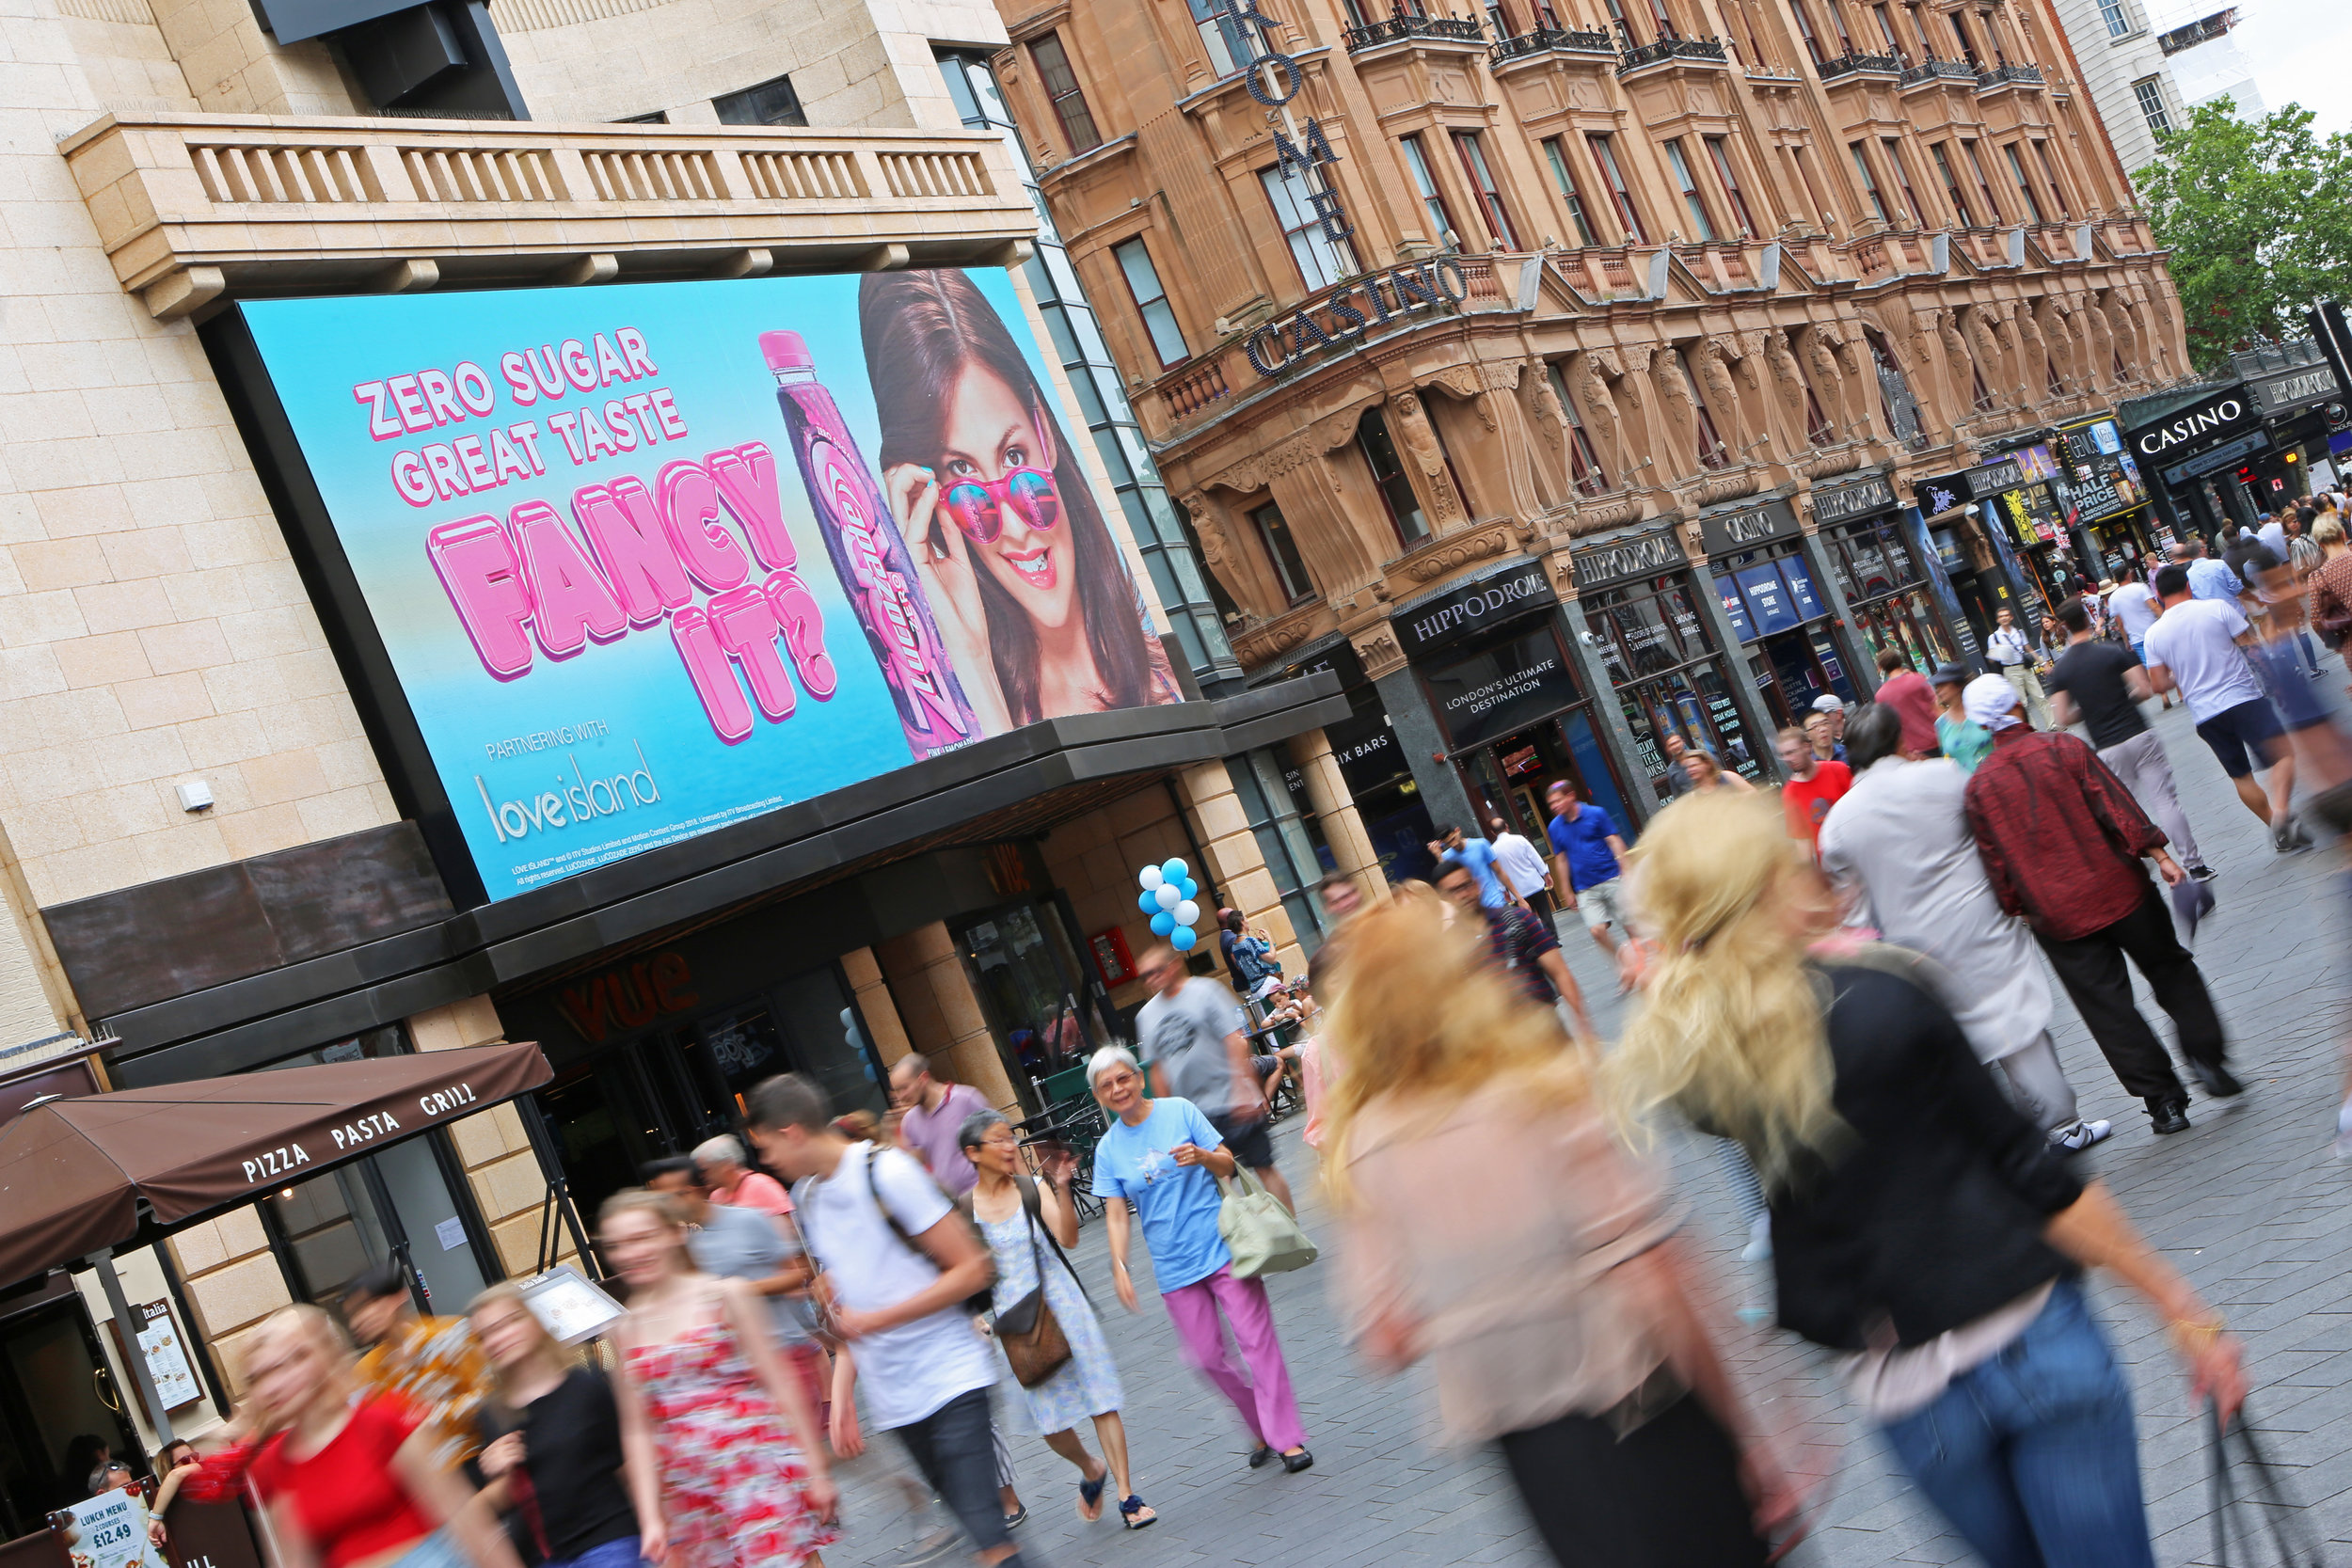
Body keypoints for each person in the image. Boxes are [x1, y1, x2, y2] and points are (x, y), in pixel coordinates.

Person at [1609, 791, 2246, 1568]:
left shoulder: (1701, 1058)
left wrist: (1685, 961)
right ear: (1762, 883)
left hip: (1906, 1391)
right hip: (2030, 1332)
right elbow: (2030, 1170)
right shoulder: (1885, 993)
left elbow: (1701, 1015)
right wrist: (2183, 1311)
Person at [1322, 895, 1804, 1568]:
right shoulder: (1538, 1088)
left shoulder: (1365, 1144)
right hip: (1641, 1405)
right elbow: (1656, 1273)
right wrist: (1754, 1431)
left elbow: (1385, 1336)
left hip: (1531, 1448)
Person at [867, 269, 1179, 736]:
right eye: (961, 472)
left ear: (1045, 435)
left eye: (1014, 458)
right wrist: (972, 661)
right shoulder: (962, 718)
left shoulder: (1171, 671)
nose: (1014, 527)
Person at [747, 1077, 1017, 1568]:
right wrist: (846, 1393)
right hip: (897, 1402)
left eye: (765, 1149)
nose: (766, 1163)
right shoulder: (807, 1198)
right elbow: (853, 1309)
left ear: (790, 1133)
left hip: (951, 1377)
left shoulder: (885, 1171)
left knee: (992, 1544)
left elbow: (972, 1269)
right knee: (986, 1543)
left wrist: (876, 1319)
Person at [1959, 674, 2241, 1136]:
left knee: (2108, 1009)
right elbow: (2115, 806)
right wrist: (2162, 857)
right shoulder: (2064, 748)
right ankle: (2206, 1053)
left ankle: (2163, 1101)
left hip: (2056, 915)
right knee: (2171, 968)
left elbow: (1995, 862)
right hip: (2120, 888)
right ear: (2016, 708)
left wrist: (2017, 906)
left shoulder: (1979, 788)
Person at [1818, 705, 2107, 1153]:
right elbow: (1990, 834)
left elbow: (1851, 913)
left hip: (1908, 944)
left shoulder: (1837, 823)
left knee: (1953, 1044)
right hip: (1980, 920)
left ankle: (1995, 1143)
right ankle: (2062, 1125)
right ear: (1898, 740)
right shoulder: (1943, 776)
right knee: (2019, 1028)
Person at [1085, 1046, 1312, 1475]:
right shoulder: (1108, 1150)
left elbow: (1226, 1163)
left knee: (1257, 1344)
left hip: (1224, 1246)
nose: (1118, 1089)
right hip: (1173, 1267)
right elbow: (1116, 1213)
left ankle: (1286, 1438)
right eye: (1107, 1085)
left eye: (1123, 1078)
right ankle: (1258, 1424)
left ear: (1138, 1078)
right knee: (1207, 1359)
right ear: (1099, 1096)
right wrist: (1119, 1265)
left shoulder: (1179, 1111)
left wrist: (1203, 1156)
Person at [179, 1307, 524, 1568]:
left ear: (319, 1360)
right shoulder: (273, 1466)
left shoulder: (382, 1418)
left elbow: (465, 1519)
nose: (270, 1387)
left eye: (282, 1366)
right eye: (256, 1378)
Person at [598, 1192, 837, 1568]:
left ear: (674, 1234)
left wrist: (814, 1469)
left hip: (753, 1468)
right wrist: (651, 1518)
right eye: (617, 1245)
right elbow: (637, 1429)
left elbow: (779, 1382)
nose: (629, 1253)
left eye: (641, 1237)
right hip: (690, 1493)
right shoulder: (622, 1330)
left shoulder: (726, 1295)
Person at [956, 1110, 1156, 1531]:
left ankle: (1126, 1494)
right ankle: (1090, 1468)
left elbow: (1068, 1237)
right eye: (999, 1140)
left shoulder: (1030, 1187)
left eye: (1011, 1137)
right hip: (1016, 1322)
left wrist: (1062, 1188)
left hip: (1064, 1305)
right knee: (1051, 1422)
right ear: (972, 1153)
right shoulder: (963, 1210)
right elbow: (964, 1271)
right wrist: (972, 1315)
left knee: (1100, 1400)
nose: (1011, 1146)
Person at [469, 1285, 644, 1568]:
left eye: (510, 1322)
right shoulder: (494, 1414)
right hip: (551, 1557)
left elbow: (628, 1465)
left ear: (534, 1323)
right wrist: (499, 1474)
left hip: (609, 1540)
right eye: (486, 1334)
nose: (499, 1338)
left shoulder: (584, 1387)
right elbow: (510, 1497)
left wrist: (656, 1527)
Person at [641, 1158, 827, 1422]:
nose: (665, 1207)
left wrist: (735, 1290)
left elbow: (799, 1274)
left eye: (670, 1197)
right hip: (732, 1367)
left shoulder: (747, 1220)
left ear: (694, 1190)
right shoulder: (681, 1243)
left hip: (781, 1351)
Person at [2142, 562, 2310, 854]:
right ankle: (2282, 812)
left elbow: (2158, 685)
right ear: (2188, 586)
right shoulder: (2216, 608)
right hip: (2243, 697)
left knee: (2240, 775)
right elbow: (2250, 646)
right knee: (2284, 754)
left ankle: (2276, 827)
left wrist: (2181, 671)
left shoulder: (2154, 635)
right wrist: (2275, 682)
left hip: (2206, 714)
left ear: (2158, 594)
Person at [2044, 596, 2212, 880]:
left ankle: (2150, 868)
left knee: (2128, 808)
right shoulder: (2112, 652)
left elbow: (2062, 717)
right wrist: (2122, 698)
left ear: (2064, 626)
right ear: (2087, 618)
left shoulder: (2061, 671)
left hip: (2107, 746)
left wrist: (2089, 710)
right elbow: (2145, 690)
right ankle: (2195, 865)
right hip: (2138, 733)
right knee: (2165, 801)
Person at [1132, 944, 1293, 1213]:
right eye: (1145, 976)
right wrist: (1167, 1118)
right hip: (1194, 1114)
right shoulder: (1146, 1016)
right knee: (1216, 1183)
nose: (1151, 979)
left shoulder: (1205, 991)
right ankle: (1238, 1245)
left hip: (1231, 1101)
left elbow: (1234, 1042)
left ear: (1173, 966)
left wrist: (1243, 1090)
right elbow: (1157, 1070)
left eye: (1156, 971)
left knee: (1263, 1166)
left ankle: (1292, 1230)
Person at [342, 1263, 495, 1472]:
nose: (359, 1320)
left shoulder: (451, 1334)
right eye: (353, 1314)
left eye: (368, 1304)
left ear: (399, 1297)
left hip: (476, 1459)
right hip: (421, 1483)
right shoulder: (366, 1370)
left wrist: (431, 1416)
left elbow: (490, 1394)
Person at [1435, 860, 1596, 1040]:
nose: (1462, 895)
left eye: (1466, 886)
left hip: (1547, 1032)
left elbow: (1560, 973)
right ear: (1444, 899)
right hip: (1503, 1049)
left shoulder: (1518, 920)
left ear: (1477, 885)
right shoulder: (1450, 947)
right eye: (1453, 891)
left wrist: (1583, 1026)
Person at [1545, 778, 1630, 959]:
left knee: (1631, 924)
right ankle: (1625, 962)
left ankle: (1645, 960)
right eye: (1551, 803)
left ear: (1571, 795)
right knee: (1597, 931)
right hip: (1584, 887)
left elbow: (1614, 841)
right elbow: (1561, 860)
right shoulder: (1554, 827)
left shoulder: (1596, 814)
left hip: (1611, 877)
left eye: (1558, 800)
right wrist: (1566, 890)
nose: (1554, 806)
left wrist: (1626, 867)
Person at [891, 1053, 993, 1198]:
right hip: (954, 1205)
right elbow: (915, 1166)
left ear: (923, 1078)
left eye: (904, 1088)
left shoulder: (965, 1098)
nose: (900, 1096)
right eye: (897, 1091)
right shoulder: (910, 1121)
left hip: (989, 1193)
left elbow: (1002, 1138)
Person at [1773, 726, 1851, 857]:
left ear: (1807, 747)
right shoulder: (1790, 793)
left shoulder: (1838, 770)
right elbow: (1802, 841)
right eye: (1783, 755)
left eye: (1792, 752)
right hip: (1831, 863)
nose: (1788, 759)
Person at [2105, 572, 2171, 707]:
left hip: (2136, 637)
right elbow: (2154, 606)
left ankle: (2164, 696)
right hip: (2153, 630)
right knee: (2168, 658)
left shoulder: (2114, 598)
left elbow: (2120, 623)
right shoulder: (2140, 587)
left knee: (2149, 665)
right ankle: (2181, 692)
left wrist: (2126, 641)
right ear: (2128, 575)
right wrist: (2166, 621)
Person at [694, 1134, 793, 1221]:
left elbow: (789, 1230)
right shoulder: (716, 1196)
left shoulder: (761, 1185)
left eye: (706, 1170)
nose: (702, 1176)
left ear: (725, 1165)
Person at [1984, 608, 2051, 729]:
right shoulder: (1994, 637)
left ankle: (2052, 724)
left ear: (2011, 617)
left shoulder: (2019, 632)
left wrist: (2043, 664)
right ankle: (2033, 730)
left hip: (2025, 667)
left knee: (2040, 696)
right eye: (2001, 616)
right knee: (2023, 703)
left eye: (2006, 615)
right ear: (1998, 620)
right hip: (2010, 670)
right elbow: (1991, 659)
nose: (2004, 618)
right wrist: (2000, 651)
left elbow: (2029, 649)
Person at [1486, 815, 1558, 927]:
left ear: (1493, 832)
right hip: (1534, 882)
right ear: (1507, 826)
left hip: (1516, 890)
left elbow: (1497, 872)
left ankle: (1537, 941)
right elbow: (1535, 857)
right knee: (1545, 912)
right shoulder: (1520, 839)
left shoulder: (1493, 850)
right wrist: (1545, 873)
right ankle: (1553, 939)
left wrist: (1503, 890)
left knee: (1527, 920)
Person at [1429, 824, 1518, 911]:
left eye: (1453, 839)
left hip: (1496, 903)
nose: (1453, 844)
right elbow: (1448, 884)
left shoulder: (1480, 844)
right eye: (1448, 843)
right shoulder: (1445, 857)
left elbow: (1499, 871)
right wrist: (1439, 857)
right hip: (1474, 910)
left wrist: (1519, 898)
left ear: (1458, 831)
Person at [1869, 647, 1939, 755]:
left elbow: (1889, 728)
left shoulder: (1880, 696)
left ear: (1882, 667)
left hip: (1912, 752)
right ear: (1900, 661)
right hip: (1937, 739)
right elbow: (1936, 707)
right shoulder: (1918, 679)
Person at [1931, 662, 1994, 774]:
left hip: (1998, 777)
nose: (1938, 690)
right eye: (1936, 687)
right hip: (1968, 787)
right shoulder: (1940, 725)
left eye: (1943, 685)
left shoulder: (1981, 710)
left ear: (1958, 685)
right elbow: (1948, 761)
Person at [1215, 909, 1284, 1002]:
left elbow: (1240, 966)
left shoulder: (1234, 946)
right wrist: (1269, 939)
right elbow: (1272, 958)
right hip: (1268, 984)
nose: (1248, 921)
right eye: (1246, 919)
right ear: (1241, 922)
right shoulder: (1250, 941)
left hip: (1255, 989)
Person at [2183, 535, 2244, 604]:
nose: (2206, 549)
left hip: (2209, 613)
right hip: (2232, 608)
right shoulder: (2219, 564)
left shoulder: (2188, 575)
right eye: (2205, 547)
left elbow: (2192, 598)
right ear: (2201, 550)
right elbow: (2236, 587)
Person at [1680, 748, 1751, 794]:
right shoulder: (1695, 795)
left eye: (1694, 765)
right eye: (1687, 767)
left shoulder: (1728, 776)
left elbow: (1753, 793)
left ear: (1707, 764)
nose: (1690, 770)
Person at [1657, 731, 1698, 799]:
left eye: (1677, 742)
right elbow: (1677, 795)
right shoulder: (1671, 770)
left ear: (1683, 742)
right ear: (1667, 749)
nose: (1675, 746)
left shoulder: (1699, 756)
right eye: (1671, 745)